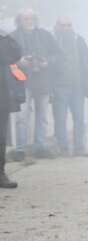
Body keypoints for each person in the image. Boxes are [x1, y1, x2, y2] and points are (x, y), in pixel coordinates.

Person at [9, 9, 60, 161]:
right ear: (19, 21)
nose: (29, 21)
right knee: (21, 117)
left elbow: (58, 55)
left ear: (36, 20)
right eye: (26, 19)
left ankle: (40, 147)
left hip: (42, 81)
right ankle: (21, 150)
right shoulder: (12, 37)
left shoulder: (45, 36)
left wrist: (47, 62)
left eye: (31, 18)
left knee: (42, 117)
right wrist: (18, 61)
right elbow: (3, 56)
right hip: (21, 81)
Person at [51, 17, 88, 157]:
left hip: (78, 86)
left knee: (79, 118)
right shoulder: (52, 41)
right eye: (63, 25)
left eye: (68, 25)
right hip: (59, 86)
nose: (66, 28)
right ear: (57, 27)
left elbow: (87, 60)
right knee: (60, 118)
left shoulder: (78, 40)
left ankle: (79, 147)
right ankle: (63, 148)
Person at [0, 31, 21, 188]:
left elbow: (15, 53)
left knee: (1, 138)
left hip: (2, 95)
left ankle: (0, 174)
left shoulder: (5, 38)